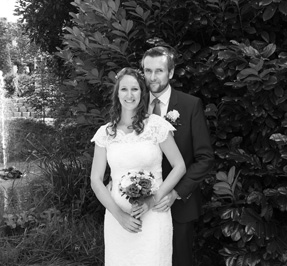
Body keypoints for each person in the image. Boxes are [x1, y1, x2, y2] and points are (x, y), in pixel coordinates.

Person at [90, 67, 186, 265]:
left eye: (135, 89)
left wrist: (151, 201)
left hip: (154, 217)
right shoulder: (105, 133)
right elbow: (96, 180)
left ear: (142, 93)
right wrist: (120, 216)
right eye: (124, 89)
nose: (129, 95)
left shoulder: (157, 125)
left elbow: (179, 166)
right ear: (117, 93)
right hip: (118, 220)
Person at [142, 46, 214, 266]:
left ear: (171, 73)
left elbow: (205, 158)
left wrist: (176, 193)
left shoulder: (190, 105)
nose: (152, 77)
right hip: (141, 204)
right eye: (147, 71)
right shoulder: (133, 104)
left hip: (178, 206)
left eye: (159, 71)